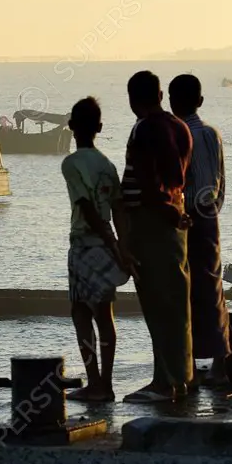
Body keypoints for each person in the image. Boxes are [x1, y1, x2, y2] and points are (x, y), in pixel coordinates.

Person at [120, 71, 194, 404]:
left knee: (157, 301)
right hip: (175, 219)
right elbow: (181, 179)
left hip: (152, 221)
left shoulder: (145, 129)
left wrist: (162, 209)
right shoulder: (181, 127)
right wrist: (176, 210)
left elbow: (151, 183)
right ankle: (181, 377)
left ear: (133, 100)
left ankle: (165, 382)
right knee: (177, 301)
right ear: (161, 94)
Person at [60, 97, 134, 403]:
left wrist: (111, 241)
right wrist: (121, 248)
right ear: (100, 128)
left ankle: (95, 383)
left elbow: (86, 208)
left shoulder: (71, 164)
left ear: (71, 127)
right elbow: (118, 210)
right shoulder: (108, 165)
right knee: (105, 314)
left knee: (80, 313)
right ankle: (107, 382)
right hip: (107, 246)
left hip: (84, 245)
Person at [168, 74, 232, 385]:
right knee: (212, 286)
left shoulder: (181, 136)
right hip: (210, 217)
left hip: (191, 218)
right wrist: (212, 209)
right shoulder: (212, 134)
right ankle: (218, 361)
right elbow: (221, 179)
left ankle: (201, 366)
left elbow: (183, 183)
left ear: (171, 102)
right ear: (201, 101)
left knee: (192, 292)